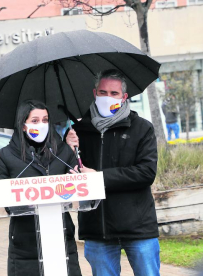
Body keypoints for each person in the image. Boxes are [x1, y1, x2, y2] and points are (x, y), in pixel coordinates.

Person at [66, 69, 159, 276]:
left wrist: (99, 178)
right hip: (98, 229)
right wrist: (67, 150)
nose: (107, 97)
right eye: (103, 92)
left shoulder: (142, 128)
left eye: (114, 93)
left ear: (124, 97)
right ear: (94, 93)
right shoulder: (77, 132)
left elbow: (146, 172)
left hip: (138, 227)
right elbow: (66, 173)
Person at [0, 99, 82, 276]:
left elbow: (81, 187)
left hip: (61, 239)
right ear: (23, 125)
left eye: (45, 120)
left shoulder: (63, 152)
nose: (41, 125)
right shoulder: (6, 156)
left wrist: (77, 155)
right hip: (26, 245)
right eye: (35, 121)